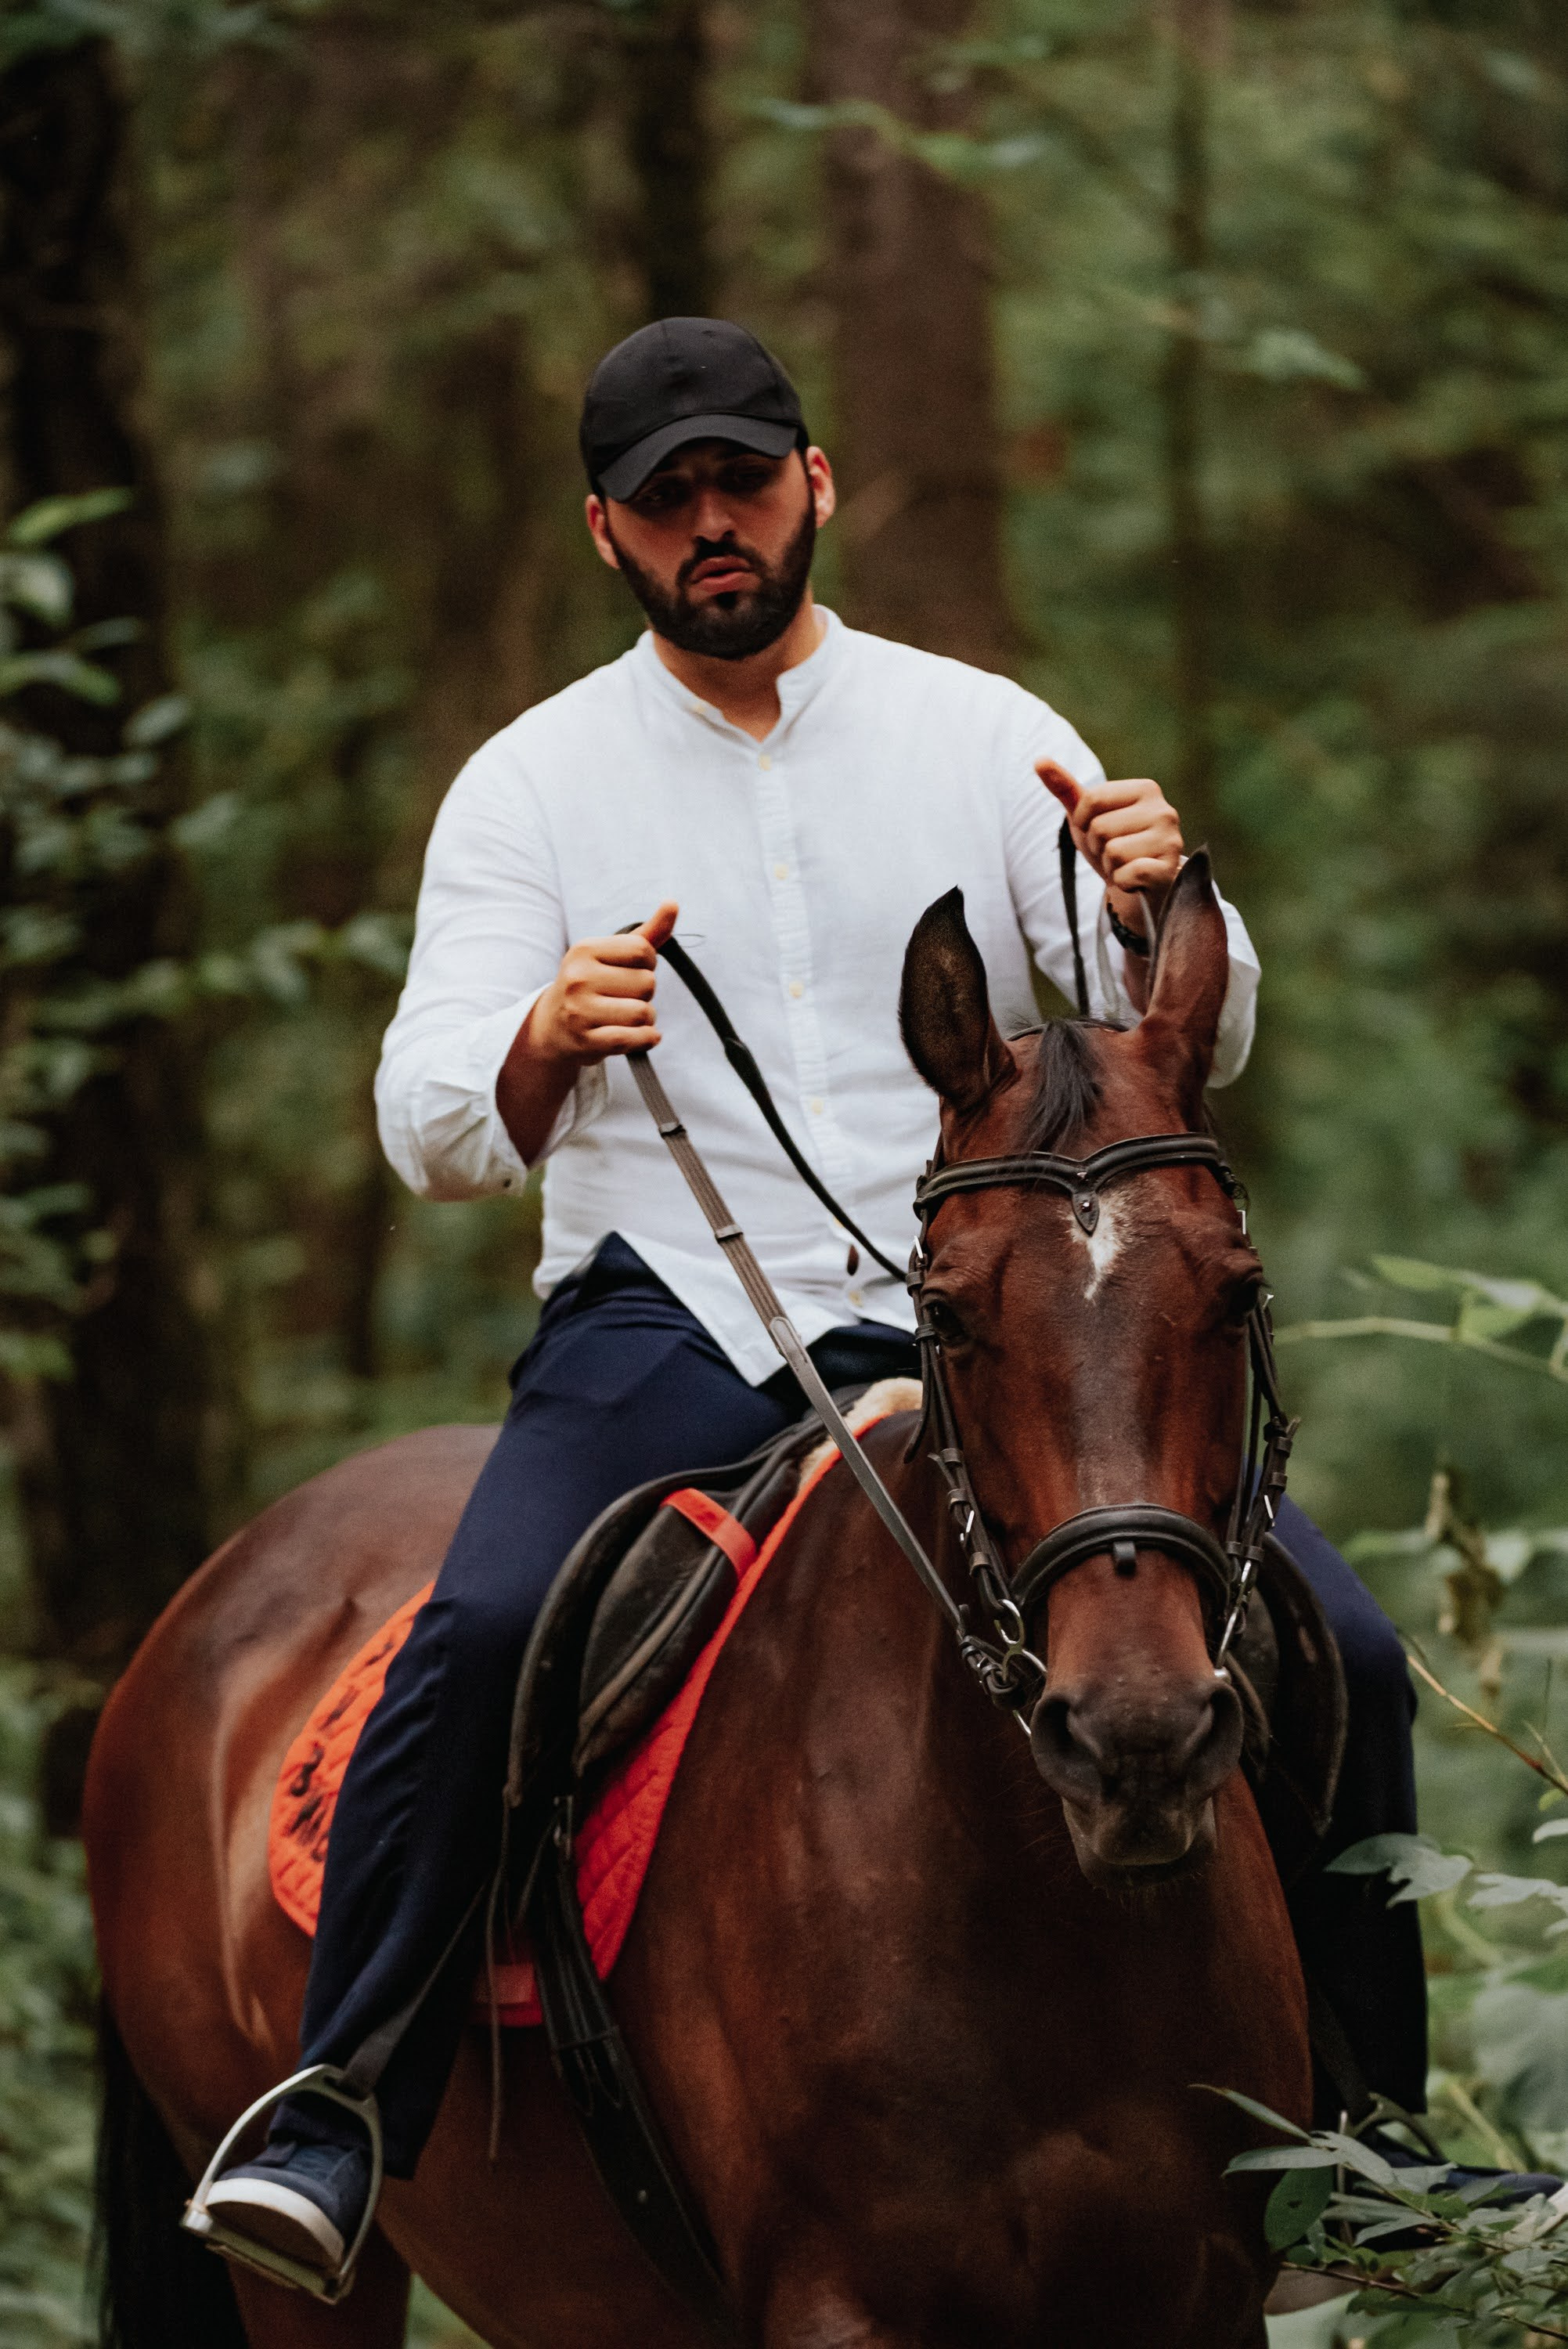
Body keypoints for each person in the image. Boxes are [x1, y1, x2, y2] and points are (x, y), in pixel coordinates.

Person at [205, 316, 1444, 2282]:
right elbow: (430, 1125)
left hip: (1007, 1321)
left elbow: (1185, 1041)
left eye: (746, 481)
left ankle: (1382, 2144)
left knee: (1342, 1642)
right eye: (671, 498)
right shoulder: (530, 787)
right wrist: (539, 1037)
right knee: (492, 1627)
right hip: (671, 1318)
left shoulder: (977, 730)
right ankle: (348, 2102)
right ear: (606, 530)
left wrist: (1153, 896)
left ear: (818, 485)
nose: (718, 524)